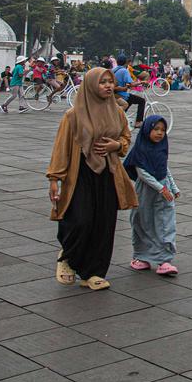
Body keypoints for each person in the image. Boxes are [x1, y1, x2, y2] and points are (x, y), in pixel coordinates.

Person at [47, 68, 137, 291]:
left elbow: (125, 137)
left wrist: (117, 145)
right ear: (90, 85)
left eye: (110, 82)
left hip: (108, 172)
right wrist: (54, 179)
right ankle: (68, 256)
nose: (108, 86)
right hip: (80, 172)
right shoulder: (73, 115)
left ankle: (93, 272)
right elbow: (61, 148)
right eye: (102, 82)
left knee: (104, 224)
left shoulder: (117, 112)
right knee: (80, 219)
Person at [125, 115, 181, 277]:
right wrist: (160, 188)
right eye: (156, 129)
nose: (159, 133)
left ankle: (164, 260)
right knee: (143, 222)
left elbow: (165, 168)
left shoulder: (161, 148)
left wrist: (173, 187)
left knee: (164, 223)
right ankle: (142, 257)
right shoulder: (140, 150)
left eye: (162, 130)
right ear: (147, 130)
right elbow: (142, 173)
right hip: (146, 192)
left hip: (163, 192)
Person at [113, 56, 147, 128]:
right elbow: (131, 84)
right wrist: (141, 82)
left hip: (114, 94)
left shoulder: (113, 70)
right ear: (126, 63)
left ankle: (122, 117)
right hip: (121, 94)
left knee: (130, 101)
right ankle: (138, 122)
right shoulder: (124, 70)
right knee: (142, 101)